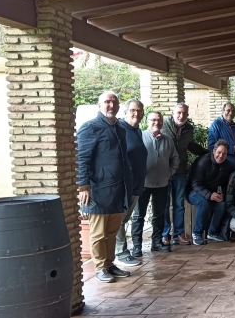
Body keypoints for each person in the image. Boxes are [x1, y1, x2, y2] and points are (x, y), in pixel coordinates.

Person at [76, 91, 134, 283]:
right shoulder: (90, 128)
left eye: (114, 102)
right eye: (107, 102)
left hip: (118, 189)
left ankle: (109, 264)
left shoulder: (119, 128)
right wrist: (83, 186)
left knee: (112, 231)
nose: (111, 105)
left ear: (118, 106)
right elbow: (81, 159)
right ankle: (100, 267)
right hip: (99, 190)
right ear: (99, 106)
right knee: (99, 233)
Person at [132, 111, 179, 255]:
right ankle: (137, 246)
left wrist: (169, 173)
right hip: (143, 185)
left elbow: (175, 158)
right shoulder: (140, 137)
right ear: (147, 121)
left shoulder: (168, 140)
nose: (156, 123)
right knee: (139, 215)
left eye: (159, 120)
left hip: (162, 184)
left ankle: (157, 243)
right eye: (153, 120)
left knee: (159, 215)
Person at [162, 103, 206, 246]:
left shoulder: (189, 129)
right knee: (164, 204)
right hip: (165, 172)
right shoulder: (164, 125)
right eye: (179, 113)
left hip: (180, 171)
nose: (181, 116)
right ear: (173, 113)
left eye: (184, 113)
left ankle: (178, 234)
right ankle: (165, 234)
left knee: (179, 204)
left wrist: (207, 153)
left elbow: (191, 145)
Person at [115, 99, 148, 267]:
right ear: (125, 112)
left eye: (140, 111)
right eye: (133, 110)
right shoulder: (119, 130)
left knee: (124, 219)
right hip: (124, 185)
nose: (137, 114)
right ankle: (121, 253)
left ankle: (116, 251)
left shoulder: (137, 131)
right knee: (119, 219)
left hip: (137, 185)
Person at [188, 140, 235, 245]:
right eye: (219, 152)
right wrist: (209, 195)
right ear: (214, 151)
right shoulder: (203, 162)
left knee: (222, 205)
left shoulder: (227, 164)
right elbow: (195, 184)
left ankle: (212, 232)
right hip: (194, 192)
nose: (221, 156)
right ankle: (197, 233)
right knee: (204, 203)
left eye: (224, 153)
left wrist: (222, 193)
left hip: (212, 193)